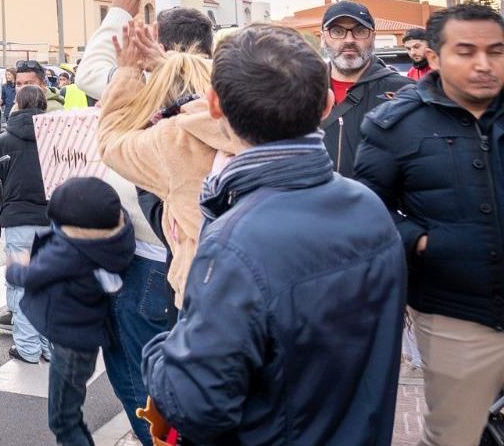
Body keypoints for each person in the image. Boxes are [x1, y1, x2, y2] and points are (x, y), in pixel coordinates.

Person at [142, 25, 404, 445]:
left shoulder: (237, 243)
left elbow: (196, 403)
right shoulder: (369, 207)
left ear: (213, 106)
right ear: (326, 103)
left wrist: (160, 349)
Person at [73, 0, 211, 446]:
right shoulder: (221, 95)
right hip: (200, 259)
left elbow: (90, 73)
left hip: (150, 257)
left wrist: (119, 13)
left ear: (151, 41)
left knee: (139, 370)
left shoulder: (147, 85)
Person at [356, 4, 504, 446]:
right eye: (466, 51)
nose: (483, 63)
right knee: (454, 435)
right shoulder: (394, 125)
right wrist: (420, 241)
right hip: (455, 314)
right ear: (435, 58)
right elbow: (367, 206)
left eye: (496, 50)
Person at [96, 19, 245, 305]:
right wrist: (174, 66)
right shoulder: (271, 128)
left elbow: (110, 141)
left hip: (206, 297)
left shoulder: (178, 141)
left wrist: (129, 71)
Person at [7, 177, 136, 446]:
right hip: (85, 339)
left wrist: (15, 266)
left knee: (62, 419)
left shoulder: (70, 250)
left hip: (70, 343)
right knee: (70, 414)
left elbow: (31, 276)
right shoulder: (113, 241)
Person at [0, 84, 51, 364]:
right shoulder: (56, 138)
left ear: (17, 104)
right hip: (52, 219)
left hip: (17, 220)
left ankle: (27, 347)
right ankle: (49, 347)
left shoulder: (3, 141)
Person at [319, 0, 411, 176]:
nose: (349, 40)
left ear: (373, 37)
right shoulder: (302, 91)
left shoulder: (404, 92)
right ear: (323, 38)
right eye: (337, 31)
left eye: (360, 31)